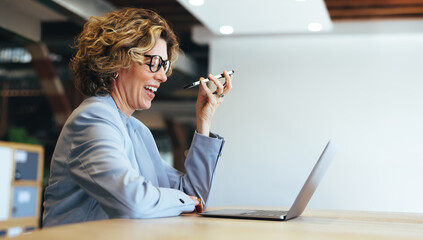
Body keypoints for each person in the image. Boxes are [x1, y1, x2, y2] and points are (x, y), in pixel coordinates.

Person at [42, 8, 232, 227]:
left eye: (164, 65)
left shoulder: (137, 130)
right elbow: (134, 202)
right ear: (118, 61)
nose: (162, 76)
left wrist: (203, 123)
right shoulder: (93, 118)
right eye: (154, 63)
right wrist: (184, 201)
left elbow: (193, 195)